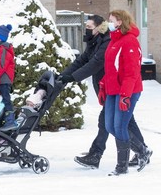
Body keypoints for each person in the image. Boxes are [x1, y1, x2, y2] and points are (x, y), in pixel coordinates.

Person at [58, 14, 151, 170]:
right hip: (107, 87)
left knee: (108, 123)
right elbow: (82, 60)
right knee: (124, 122)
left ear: (98, 27)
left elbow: (96, 63)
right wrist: (64, 75)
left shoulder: (109, 40)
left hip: (116, 89)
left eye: (88, 27)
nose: (86, 30)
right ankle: (142, 151)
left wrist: (73, 78)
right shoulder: (97, 40)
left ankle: (98, 154)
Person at [98, 10, 152, 175]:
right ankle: (142, 151)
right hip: (113, 90)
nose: (109, 23)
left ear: (120, 21)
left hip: (127, 91)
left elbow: (132, 72)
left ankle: (121, 167)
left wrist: (126, 95)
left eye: (111, 20)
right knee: (110, 126)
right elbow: (111, 68)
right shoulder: (115, 41)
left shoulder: (129, 42)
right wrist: (103, 86)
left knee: (119, 126)